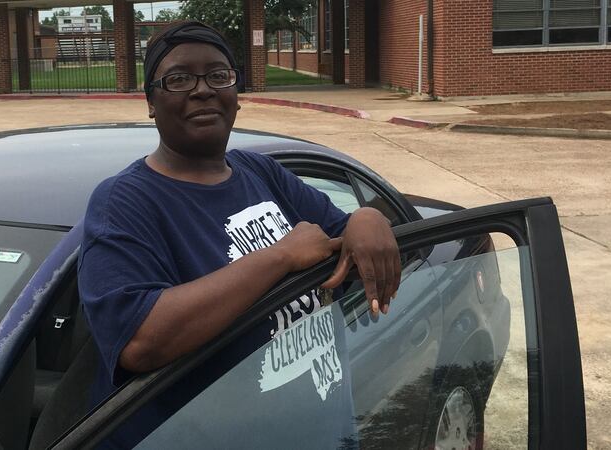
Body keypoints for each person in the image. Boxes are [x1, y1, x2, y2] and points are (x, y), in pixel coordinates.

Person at [78, 21, 401, 449]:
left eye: (218, 75)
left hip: (323, 432)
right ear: (151, 102)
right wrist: (280, 257)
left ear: (235, 93)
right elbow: (138, 340)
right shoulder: (124, 202)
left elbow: (343, 238)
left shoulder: (259, 172)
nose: (202, 90)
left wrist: (367, 218)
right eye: (178, 79)